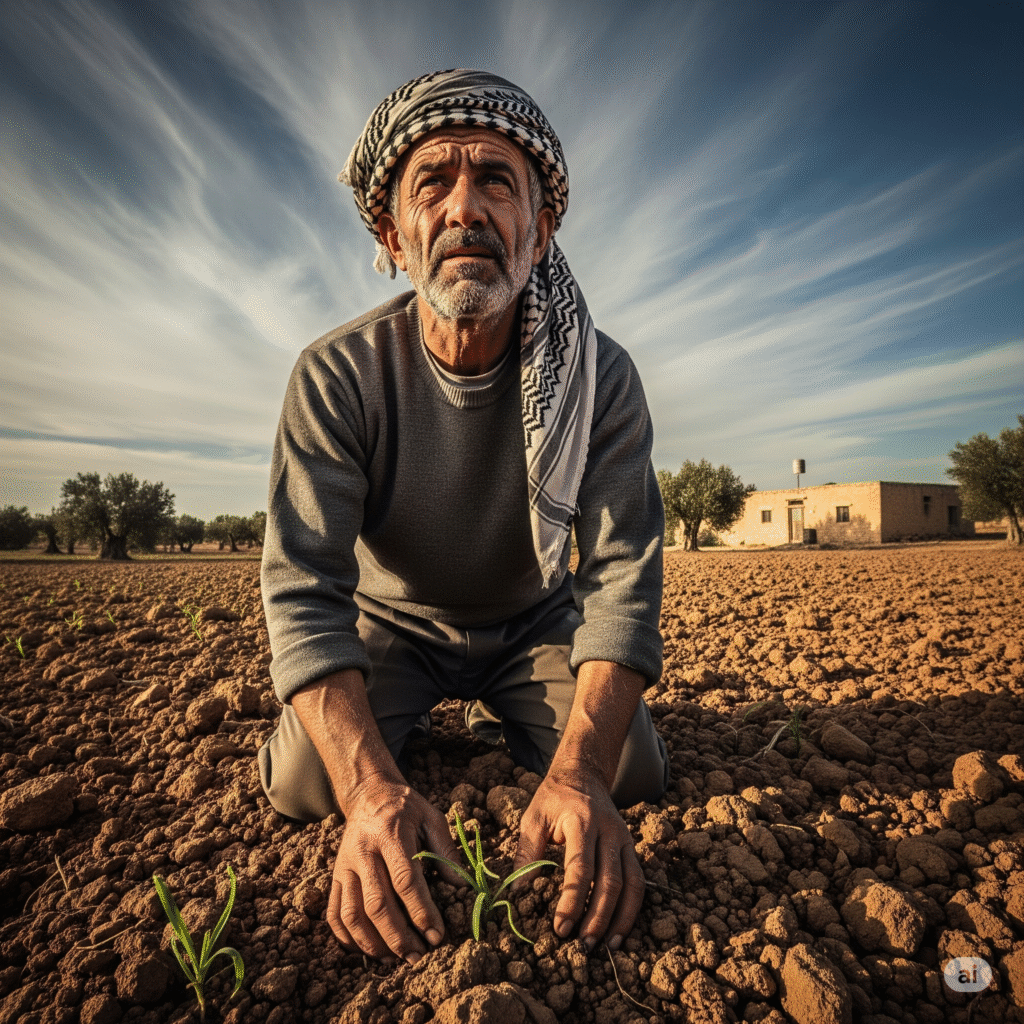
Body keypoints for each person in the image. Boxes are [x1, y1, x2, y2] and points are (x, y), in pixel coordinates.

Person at [258, 69, 669, 965]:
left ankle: (517, 730)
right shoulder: (338, 376)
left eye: (496, 181)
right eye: (432, 184)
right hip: (391, 626)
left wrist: (579, 774)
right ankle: (405, 738)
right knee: (302, 785)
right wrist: (369, 789)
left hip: (534, 623)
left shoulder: (601, 380)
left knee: (630, 769)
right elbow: (303, 589)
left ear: (540, 225)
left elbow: (621, 582)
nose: (464, 209)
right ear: (390, 234)